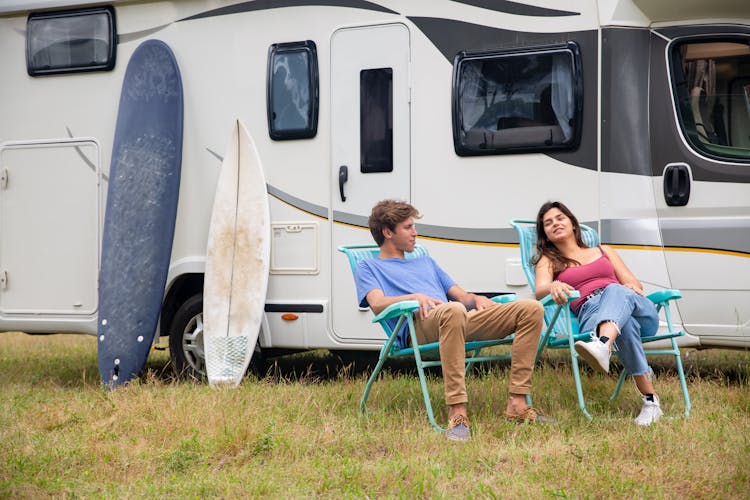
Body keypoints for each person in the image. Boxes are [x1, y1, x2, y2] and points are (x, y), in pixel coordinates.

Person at [355, 199, 547, 442]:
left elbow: (461, 296)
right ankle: (457, 413)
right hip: (418, 325)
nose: (415, 233)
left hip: (455, 318)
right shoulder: (369, 266)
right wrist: (415, 297)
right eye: (408, 227)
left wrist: (475, 299)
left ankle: (517, 404)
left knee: (531, 308)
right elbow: (377, 303)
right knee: (453, 310)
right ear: (387, 232)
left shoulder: (425, 262)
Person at [533, 201, 663, 425]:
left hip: (634, 306)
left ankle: (602, 344)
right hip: (590, 311)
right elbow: (540, 290)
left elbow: (632, 282)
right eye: (548, 223)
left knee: (616, 291)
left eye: (560, 218)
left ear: (573, 224)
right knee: (626, 325)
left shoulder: (603, 250)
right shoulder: (549, 261)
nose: (555, 224)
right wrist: (553, 285)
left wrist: (627, 290)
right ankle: (651, 401)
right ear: (545, 234)